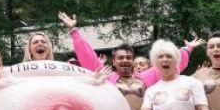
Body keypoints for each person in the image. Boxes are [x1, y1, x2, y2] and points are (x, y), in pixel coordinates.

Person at [58, 12, 200, 86]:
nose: (125, 60)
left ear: (132, 61)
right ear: (113, 62)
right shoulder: (107, 77)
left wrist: (187, 50)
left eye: (128, 58)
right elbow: (89, 60)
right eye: (120, 58)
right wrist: (74, 31)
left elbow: (171, 64)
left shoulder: (146, 77)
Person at [139, 40, 209, 110]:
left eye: (169, 56)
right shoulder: (151, 90)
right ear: (155, 62)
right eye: (160, 57)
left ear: (176, 60)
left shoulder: (193, 83)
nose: (165, 59)